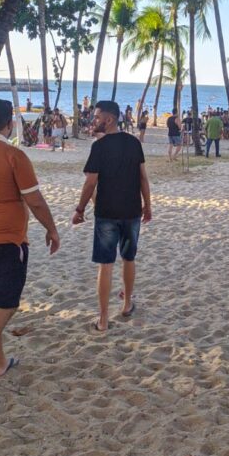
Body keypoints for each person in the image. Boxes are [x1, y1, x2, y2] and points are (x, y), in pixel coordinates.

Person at [0, 99, 59, 379]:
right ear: (9, 123)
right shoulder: (13, 155)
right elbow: (35, 201)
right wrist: (52, 229)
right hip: (4, 242)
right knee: (6, 305)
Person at [72, 100, 152, 332]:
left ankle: (104, 318)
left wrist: (79, 209)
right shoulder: (134, 142)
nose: (93, 120)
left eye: (97, 117)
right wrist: (147, 205)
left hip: (107, 212)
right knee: (129, 258)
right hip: (131, 211)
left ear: (109, 119)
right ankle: (126, 305)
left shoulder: (100, 147)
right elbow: (143, 178)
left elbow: (90, 183)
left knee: (105, 265)